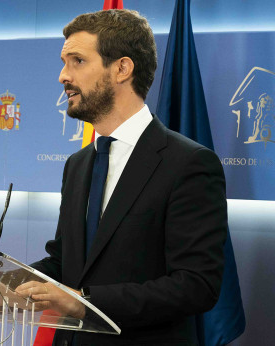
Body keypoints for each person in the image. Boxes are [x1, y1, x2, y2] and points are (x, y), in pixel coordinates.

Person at [16, 9, 227, 345]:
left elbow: (196, 285)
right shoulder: (79, 163)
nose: (62, 76)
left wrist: (84, 301)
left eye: (77, 61)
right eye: (63, 61)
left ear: (122, 69)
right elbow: (65, 261)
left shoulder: (189, 163)